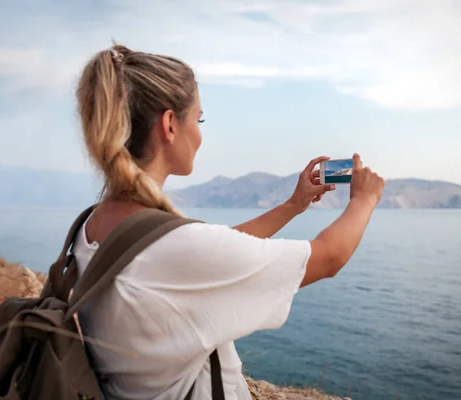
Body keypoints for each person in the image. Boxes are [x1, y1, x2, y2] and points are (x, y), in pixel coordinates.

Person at [73, 44, 384, 400]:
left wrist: (294, 205)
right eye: (199, 119)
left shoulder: (93, 226)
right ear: (170, 125)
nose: (201, 134)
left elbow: (210, 254)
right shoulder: (174, 246)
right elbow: (329, 257)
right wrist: (365, 199)